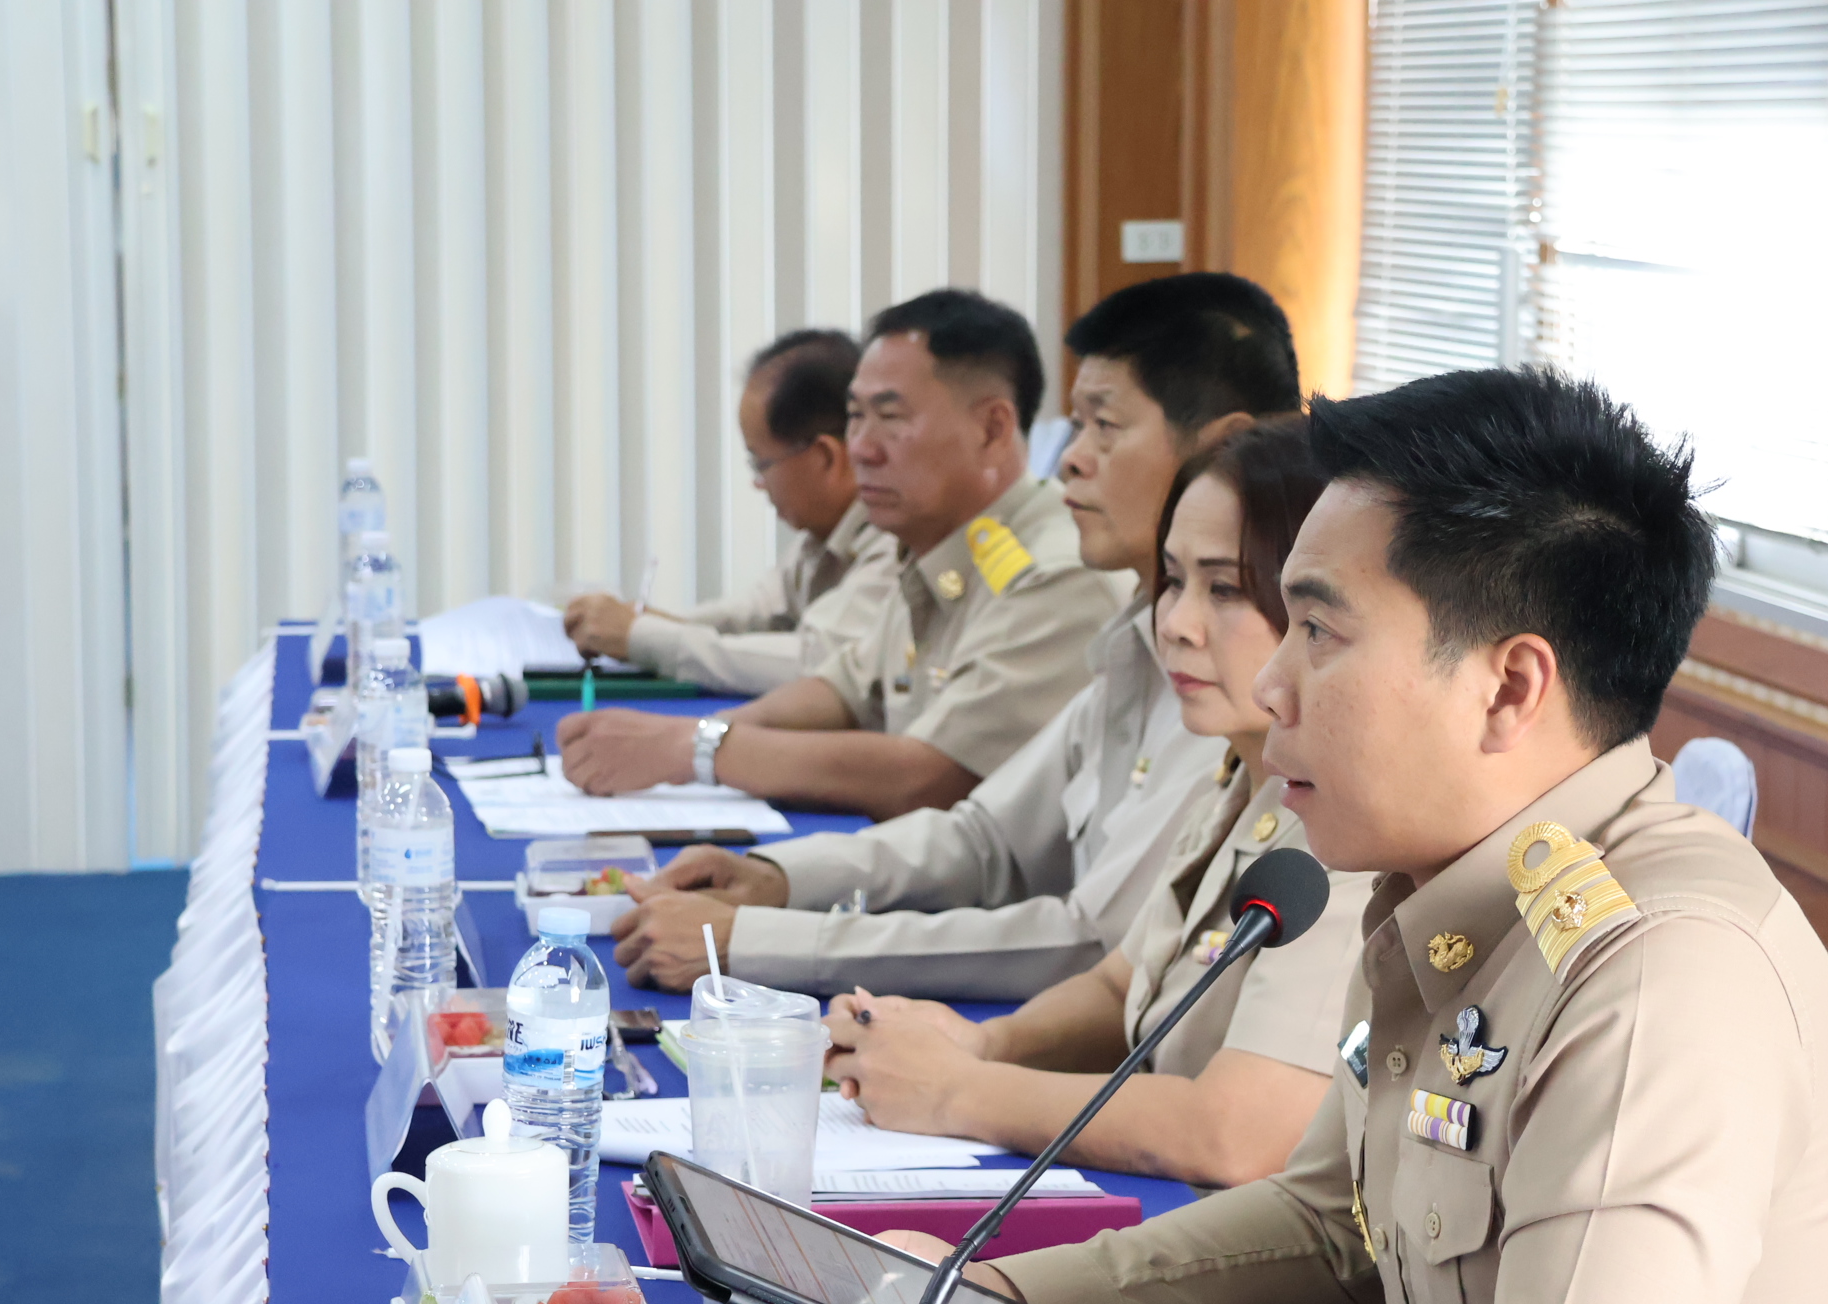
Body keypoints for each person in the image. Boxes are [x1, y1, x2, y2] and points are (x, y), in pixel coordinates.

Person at [821, 369, 1828, 1304]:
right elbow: (1331, 1226)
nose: (1271, 685)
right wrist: (994, 1299)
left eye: (1319, 632)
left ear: (1510, 687)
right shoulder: (1449, 896)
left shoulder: (1659, 966)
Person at [607, 274, 1303, 997]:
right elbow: (984, 836)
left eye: (1104, 425)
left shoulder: (1235, 674)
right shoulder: (1140, 631)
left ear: (1224, 446)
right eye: (1076, 425)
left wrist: (755, 938)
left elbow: (1092, 944)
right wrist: (776, 878)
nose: (1070, 457)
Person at [821, 422, 1374, 1189]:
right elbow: (1123, 987)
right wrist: (982, 1044)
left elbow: (1233, 1135)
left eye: (1224, 589)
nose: (1175, 624)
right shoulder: (1237, 777)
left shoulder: (1348, 833)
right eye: (1170, 581)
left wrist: (958, 1090)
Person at [556, 290, 1124, 821]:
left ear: (992, 429)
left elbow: (929, 776)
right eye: (855, 416)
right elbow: (843, 689)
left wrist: (696, 749)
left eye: (891, 417)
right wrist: (694, 735)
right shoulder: (934, 544)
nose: (862, 449)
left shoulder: (1057, 574)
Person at [560, 329, 896, 696]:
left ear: (825, 458)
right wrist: (640, 623)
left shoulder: (897, 538)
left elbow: (815, 663)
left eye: (760, 462)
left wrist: (640, 636)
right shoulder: (823, 537)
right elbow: (753, 615)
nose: (758, 483)